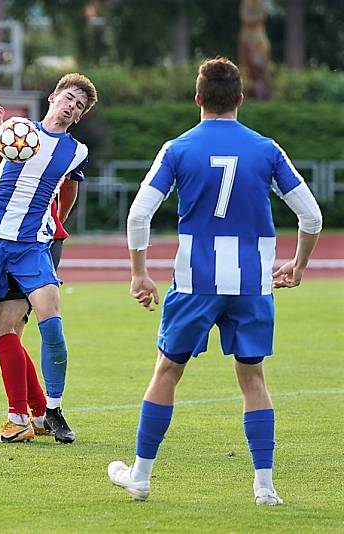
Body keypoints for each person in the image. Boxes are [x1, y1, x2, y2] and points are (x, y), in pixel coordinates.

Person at [107, 57, 322, 505]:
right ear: (241, 99)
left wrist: (138, 273)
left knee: (168, 371)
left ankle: (141, 478)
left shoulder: (178, 148)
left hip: (195, 281)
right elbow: (312, 216)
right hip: (252, 284)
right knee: (254, 379)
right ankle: (264, 487)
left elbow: (138, 214)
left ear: (198, 98)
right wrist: (298, 266)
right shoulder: (267, 149)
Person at [0, 74, 98, 444]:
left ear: (80, 115)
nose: (70, 106)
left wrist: (53, 226)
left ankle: (52, 411)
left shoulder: (76, 152)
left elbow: (70, 194)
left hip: (32, 246)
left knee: (50, 324)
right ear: (53, 97)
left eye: (78, 105)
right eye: (67, 98)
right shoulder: (17, 128)